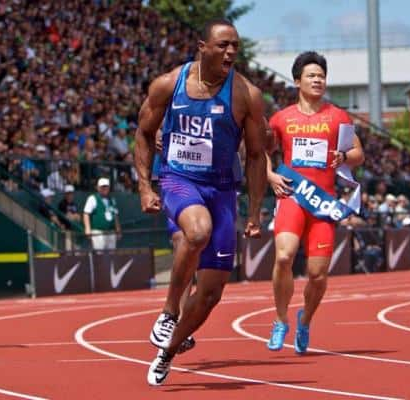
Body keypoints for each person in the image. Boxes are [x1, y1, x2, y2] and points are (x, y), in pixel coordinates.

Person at [134, 19, 267, 385]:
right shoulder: (168, 84)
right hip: (179, 179)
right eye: (223, 45)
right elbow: (144, 133)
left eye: (235, 47)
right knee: (196, 232)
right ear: (202, 46)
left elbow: (256, 155)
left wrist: (254, 211)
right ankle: (168, 312)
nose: (230, 53)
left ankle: (168, 351)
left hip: (223, 189)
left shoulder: (245, 95)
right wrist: (145, 187)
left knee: (210, 293)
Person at [265, 51, 364, 354]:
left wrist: (343, 157)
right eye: (311, 75)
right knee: (284, 257)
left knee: (318, 274)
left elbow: (358, 153)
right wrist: (269, 175)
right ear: (297, 81)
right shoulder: (281, 119)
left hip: (322, 203)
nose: (318, 80)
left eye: (321, 75)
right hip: (293, 197)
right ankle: (281, 320)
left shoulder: (338, 117)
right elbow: (263, 152)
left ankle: (304, 320)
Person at [82, 178, 121, 250]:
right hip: (98, 232)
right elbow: (86, 213)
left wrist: (118, 229)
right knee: (99, 254)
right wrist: (87, 228)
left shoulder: (112, 199)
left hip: (111, 232)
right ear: (98, 188)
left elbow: (115, 215)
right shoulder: (93, 198)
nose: (104, 188)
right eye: (102, 187)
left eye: (106, 186)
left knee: (111, 254)